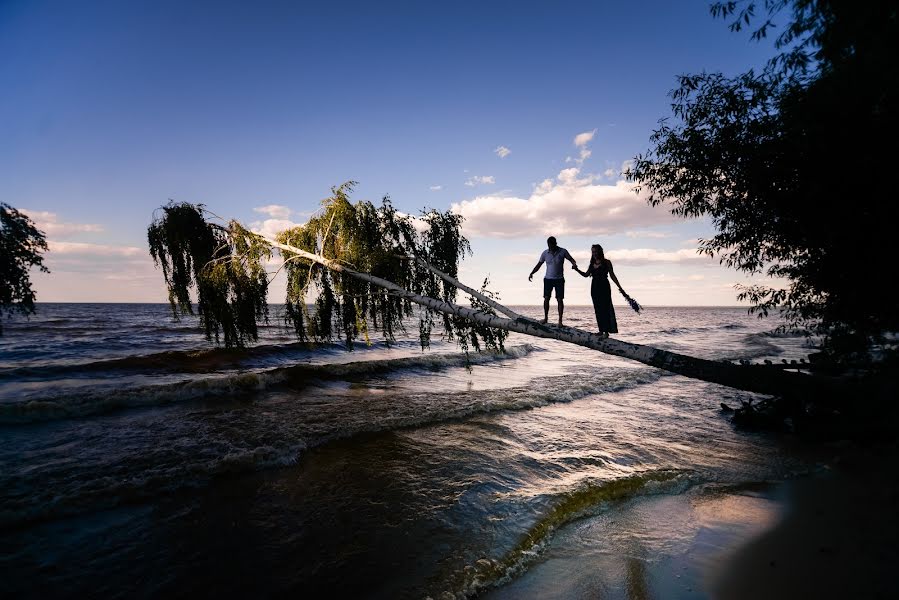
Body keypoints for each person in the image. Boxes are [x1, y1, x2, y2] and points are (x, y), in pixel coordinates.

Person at [572, 244, 625, 338]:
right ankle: (601, 330)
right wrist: (576, 270)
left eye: (596, 251)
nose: (594, 253)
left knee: (605, 308)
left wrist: (620, 287)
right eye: (593, 252)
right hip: (594, 288)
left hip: (604, 287)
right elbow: (586, 275)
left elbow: (612, 275)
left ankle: (606, 332)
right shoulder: (592, 264)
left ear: (600, 251)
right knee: (598, 309)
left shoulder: (607, 262)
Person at [528, 236, 577, 325]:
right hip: (548, 279)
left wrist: (574, 264)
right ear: (548, 245)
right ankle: (546, 318)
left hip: (559, 279)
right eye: (550, 246)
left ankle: (560, 321)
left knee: (559, 299)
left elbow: (572, 260)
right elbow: (539, 265)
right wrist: (532, 273)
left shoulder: (563, 251)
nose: (551, 247)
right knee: (546, 298)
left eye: (553, 245)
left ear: (556, 243)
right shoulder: (545, 253)